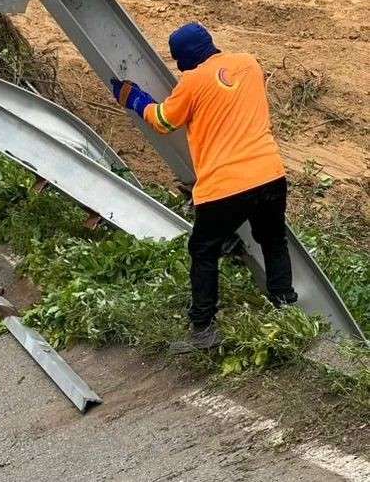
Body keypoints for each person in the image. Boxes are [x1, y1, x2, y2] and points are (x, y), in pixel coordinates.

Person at [111, 21, 298, 352]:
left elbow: (164, 121)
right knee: (273, 239)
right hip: (269, 173)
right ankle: (286, 306)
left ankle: (203, 330)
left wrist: (136, 100)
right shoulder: (249, 64)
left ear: (183, 60)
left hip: (225, 187)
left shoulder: (192, 82)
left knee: (202, 250)